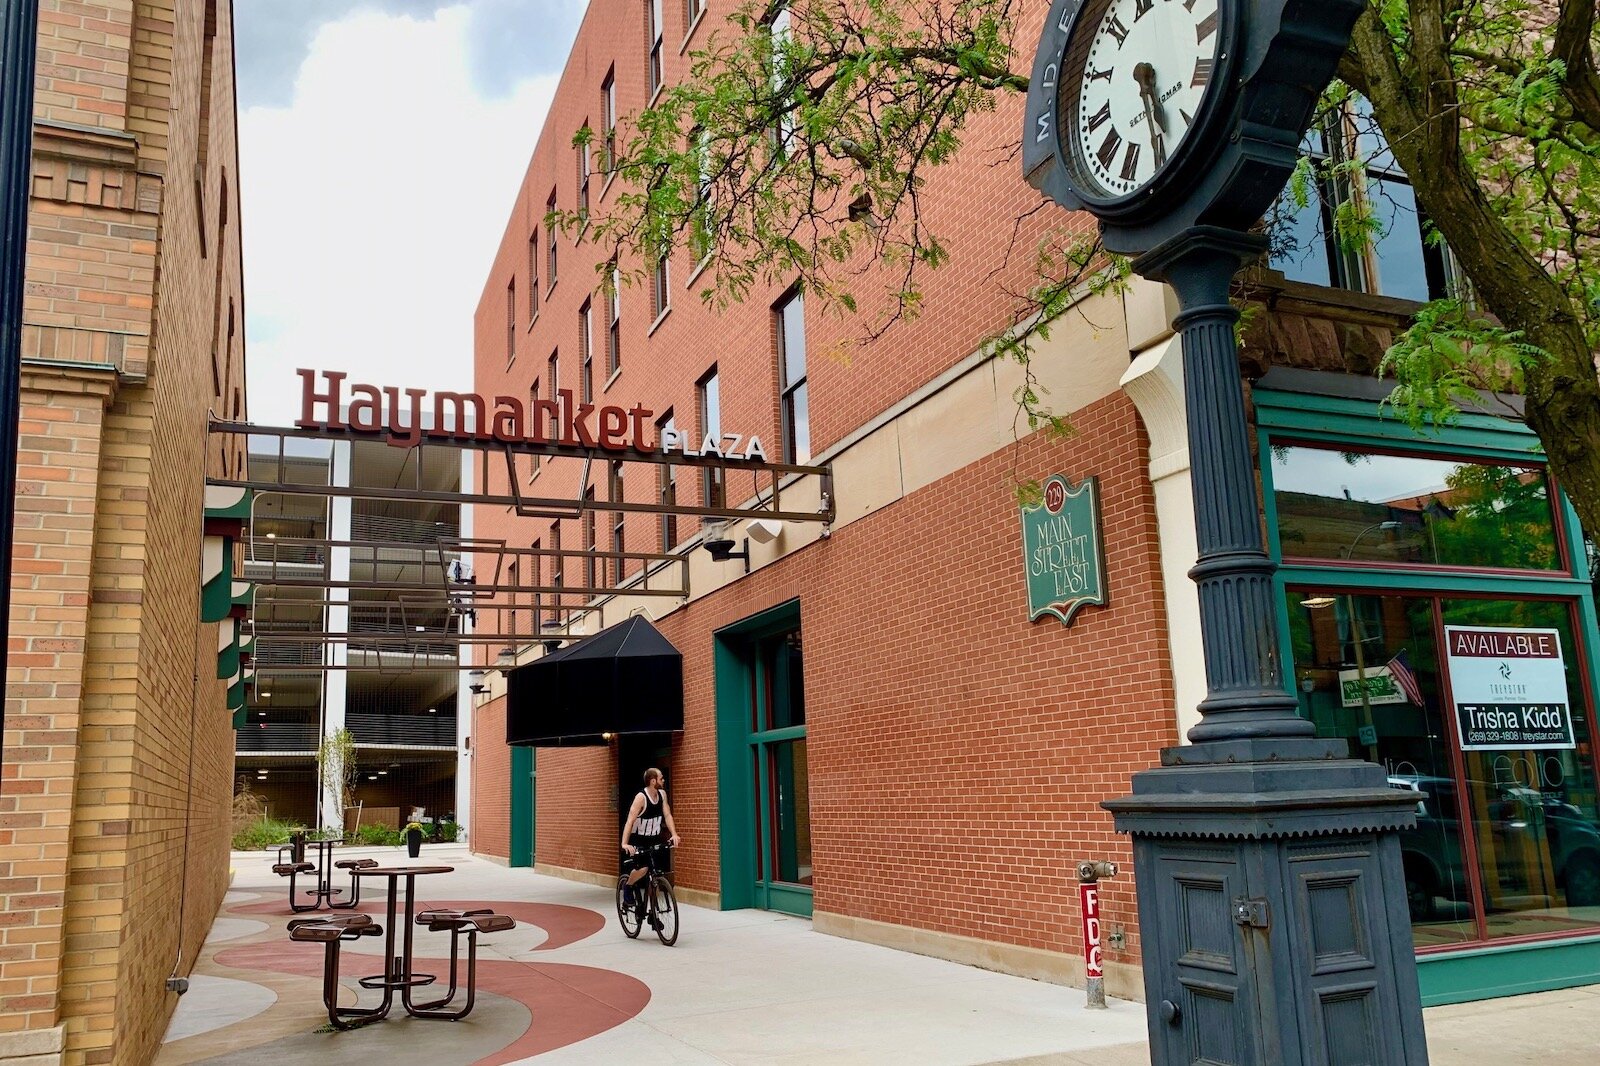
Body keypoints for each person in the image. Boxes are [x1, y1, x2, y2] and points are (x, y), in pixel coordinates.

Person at [620, 767, 680, 928]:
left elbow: (667, 814)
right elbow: (630, 820)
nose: (663, 780)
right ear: (653, 781)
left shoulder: (662, 795)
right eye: (661, 778)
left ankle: (653, 915)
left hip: (654, 838)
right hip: (638, 839)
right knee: (644, 869)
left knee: (655, 875)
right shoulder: (641, 797)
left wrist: (673, 834)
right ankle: (628, 886)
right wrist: (625, 844)